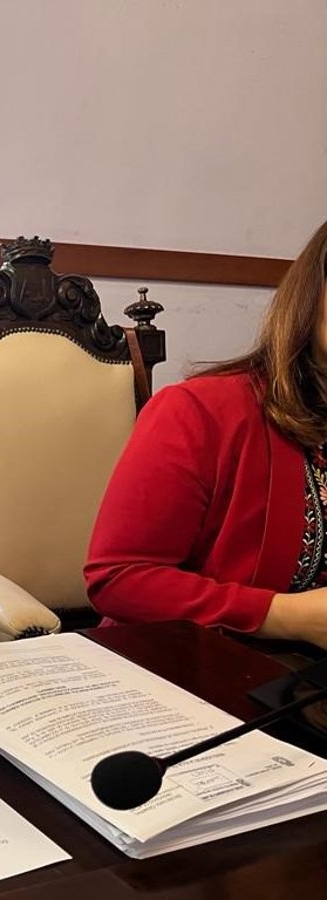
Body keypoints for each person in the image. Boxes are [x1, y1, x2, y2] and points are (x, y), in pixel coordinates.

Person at [86, 218, 327, 648]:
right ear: (311, 295)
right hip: (204, 666)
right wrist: (283, 616)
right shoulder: (198, 412)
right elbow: (119, 578)